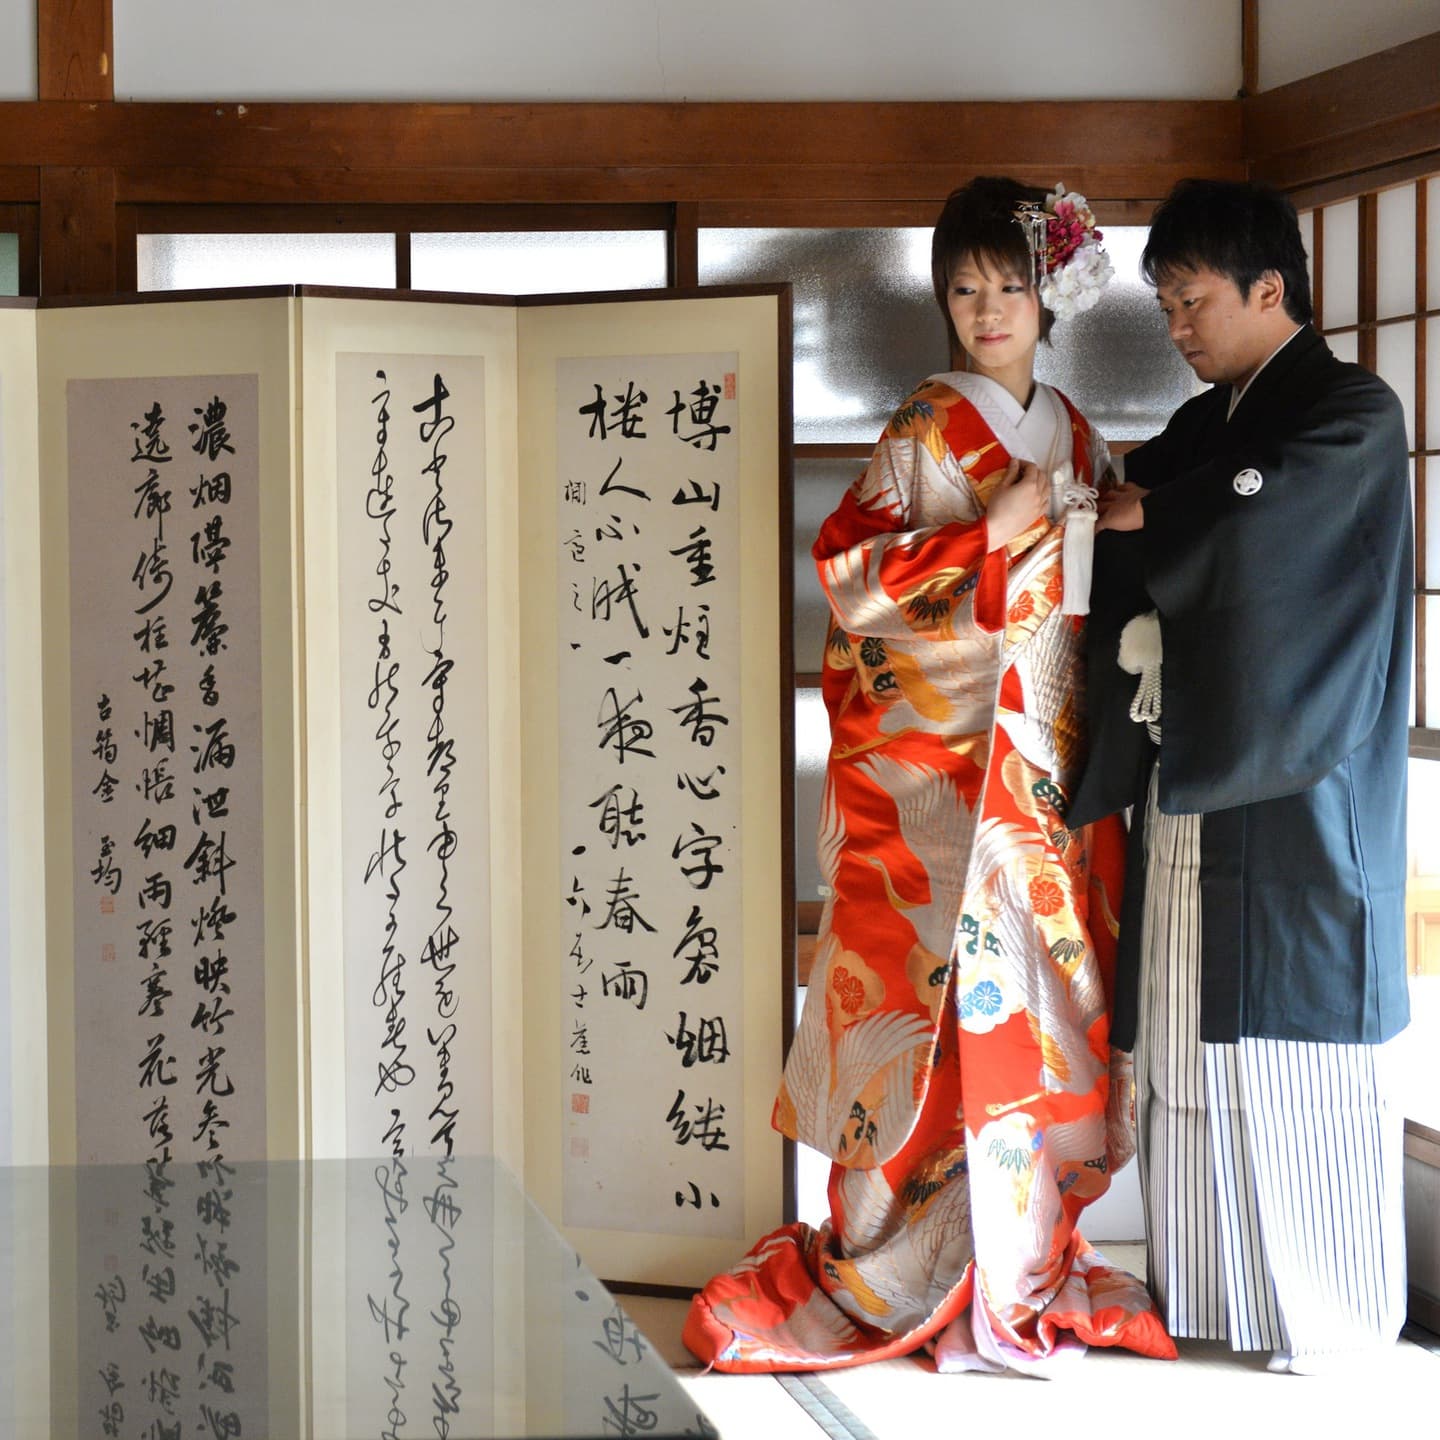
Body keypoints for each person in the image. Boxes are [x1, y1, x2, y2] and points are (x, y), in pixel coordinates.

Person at [683, 176, 1175, 1374]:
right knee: (928, 1017)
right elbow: (852, 581)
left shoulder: (1076, 432)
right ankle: (888, 1259)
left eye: (1009, 286)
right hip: (935, 786)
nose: (987, 311)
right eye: (964, 290)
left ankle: (1014, 1257)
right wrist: (987, 535)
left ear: (1048, 295)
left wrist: (1117, 522)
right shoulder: (921, 429)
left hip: (1043, 781)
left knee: (1033, 1018)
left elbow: (1093, 600)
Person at [1072, 178, 1412, 1373]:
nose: (1176, 328)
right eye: (1165, 306)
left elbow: (1239, 521)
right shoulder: (1208, 425)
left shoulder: (1352, 413)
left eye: (1192, 302)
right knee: (1191, 1047)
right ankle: (1215, 1297)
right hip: (1197, 780)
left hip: (1304, 792)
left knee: (1293, 1062)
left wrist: (1156, 514)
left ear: (1272, 289)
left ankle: (1331, 1320)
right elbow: (1128, 509)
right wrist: (1126, 511)